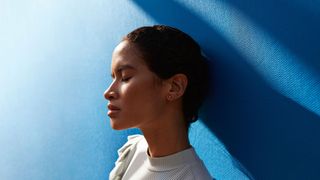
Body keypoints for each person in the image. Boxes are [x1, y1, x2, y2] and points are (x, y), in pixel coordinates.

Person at [104, 25, 212, 180]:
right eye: (113, 77)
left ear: (175, 87)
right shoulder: (134, 151)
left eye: (126, 77)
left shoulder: (189, 176)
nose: (108, 93)